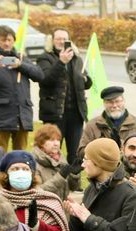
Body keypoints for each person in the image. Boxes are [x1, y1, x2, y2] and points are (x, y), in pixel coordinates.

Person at [0, 24, 44, 152]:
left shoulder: (21, 58)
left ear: (14, 41)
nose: (6, 43)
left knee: (21, 155)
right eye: (3, 40)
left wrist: (20, 65)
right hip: (2, 116)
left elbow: (40, 75)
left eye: (9, 40)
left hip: (22, 116)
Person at [36, 29, 91, 162]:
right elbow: (45, 80)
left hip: (76, 114)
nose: (61, 42)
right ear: (52, 41)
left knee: (76, 153)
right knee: (52, 152)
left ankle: (73, 180)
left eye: (64, 39)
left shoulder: (76, 58)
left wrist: (86, 80)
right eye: (58, 39)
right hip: (54, 113)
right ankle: (52, 180)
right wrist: (61, 62)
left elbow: (86, 83)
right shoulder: (45, 58)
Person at [79, 86, 136, 156]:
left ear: (123, 101)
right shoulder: (92, 125)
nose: (114, 105)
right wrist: (102, 153)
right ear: (104, 103)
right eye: (110, 102)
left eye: (117, 101)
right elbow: (81, 151)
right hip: (101, 166)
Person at [30, 124, 80, 203]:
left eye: (58, 140)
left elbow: (73, 188)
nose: (56, 143)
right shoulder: (34, 164)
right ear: (41, 142)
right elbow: (38, 192)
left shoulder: (61, 160)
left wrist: (74, 175)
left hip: (62, 210)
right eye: (52, 140)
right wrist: (60, 176)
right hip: (45, 210)